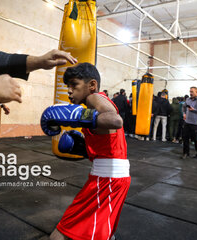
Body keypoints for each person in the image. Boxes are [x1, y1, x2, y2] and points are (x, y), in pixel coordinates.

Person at [40, 63, 130, 240]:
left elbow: (115, 120)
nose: (69, 91)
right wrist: (85, 149)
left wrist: (78, 117)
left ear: (92, 85)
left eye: (74, 84)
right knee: (101, 232)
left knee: (60, 235)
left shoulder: (94, 98)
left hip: (107, 180)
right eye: (68, 86)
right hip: (109, 177)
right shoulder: (95, 105)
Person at [182, 87, 197, 159]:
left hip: (195, 123)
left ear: (196, 92)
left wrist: (194, 110)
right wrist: (184, 113)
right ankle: (186, 153)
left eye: (192, 92)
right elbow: (183, 107)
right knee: (185, 138)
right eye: (190, 91)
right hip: (187, 122)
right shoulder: (188, 99)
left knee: (196, 139)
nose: (190, 93)